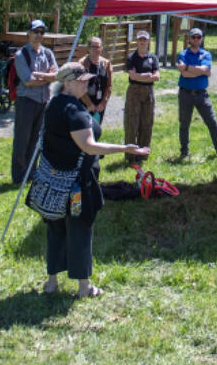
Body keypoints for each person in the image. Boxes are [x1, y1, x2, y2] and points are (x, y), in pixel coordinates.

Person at [40, 62, 150, 298]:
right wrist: (125, 147)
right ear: (68, 83)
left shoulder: (53, 105)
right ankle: (84, 287)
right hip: (78, 183)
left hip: (53, 180)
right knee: (80, 229)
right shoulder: (74, 111)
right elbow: (89, 147)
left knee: (56, 228)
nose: (88, 83)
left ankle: (52, 282)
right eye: (82, 80)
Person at [10, 19, 58, 186]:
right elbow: (28, 80)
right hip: (26, 102)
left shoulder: (48, 53)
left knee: (37, 141)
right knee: (22, 140)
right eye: (35, 31)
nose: (39, 35)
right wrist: (47, 77)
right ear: (28, 33)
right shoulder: (21, 55)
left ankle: (31, 173)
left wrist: (40, 75)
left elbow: (57, 76)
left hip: (43, 101)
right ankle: (18, 176)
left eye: (42, 32)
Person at [176, 27, 217, 160]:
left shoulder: (206, 54)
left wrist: (188, 68)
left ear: (201, 39)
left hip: (201, 94)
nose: (196, 39)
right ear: (189, 39)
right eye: (193, 37)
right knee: (184, 123)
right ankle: (184, 152)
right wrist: (200, 71)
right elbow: (185, 75)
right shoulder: (183, 54)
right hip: (185, 94)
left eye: (198, 37)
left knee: (212, 121)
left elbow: (206, 70)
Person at [123, 30, 159, 165]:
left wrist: (141, 76)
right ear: (137, 41)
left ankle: (143, 155)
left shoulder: (153, 58)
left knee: (147, 122)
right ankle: (131, 156)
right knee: (132, 123)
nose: (142, 42)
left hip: (148, 92)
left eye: (145, 39)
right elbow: (132, 76)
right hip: (134, 91)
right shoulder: (131, 57)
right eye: (140, 40)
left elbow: (157, 76)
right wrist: (148, 76)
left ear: (148, 41)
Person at [79, 36, 113, 126]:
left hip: (100, 105)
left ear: (101, 48)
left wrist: (103, 103)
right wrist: (89, 104)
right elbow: (79, 87)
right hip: (85, 104)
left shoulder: (106, 64)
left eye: (98, 47)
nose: (96, 49)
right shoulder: (82, 64)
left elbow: (109, 86)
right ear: (89, 48)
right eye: (93, 47)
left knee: (96, 130)